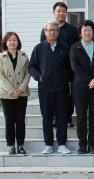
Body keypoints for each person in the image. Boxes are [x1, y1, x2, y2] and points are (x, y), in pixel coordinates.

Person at [29, 20, 73, 154]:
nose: (52, 32)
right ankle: (48, 144)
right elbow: (32, 66)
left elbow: (70, 68)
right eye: (50, 30)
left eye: (55, 30)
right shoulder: (39, 48)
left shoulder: (65, 48)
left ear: (58, 32)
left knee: (62, 117)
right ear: (45, 32)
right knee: (47, 118)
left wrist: (69, 84)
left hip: (61, 89)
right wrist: (39, 77)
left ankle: (61, 144)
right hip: (45, 88)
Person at [40, 2, 79, 128]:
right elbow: (42, 50)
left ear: (66, 13)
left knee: (68, 95)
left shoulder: (72, 29)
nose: (61, 13)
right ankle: (53, 118)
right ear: (54, 13)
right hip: (50, 70)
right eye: (58, 11)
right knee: (51, 96)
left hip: (67, 67)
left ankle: (67, 117)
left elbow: (76, 47)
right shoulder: (46, 29)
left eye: (63, 11)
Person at [70, 20, 94, 154]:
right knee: (81, 116)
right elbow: (75, 67)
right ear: (80, 32)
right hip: (80, 87)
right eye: (84, 30)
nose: (87, 32)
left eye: (90, 30)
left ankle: (92, 144)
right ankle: (82, 144)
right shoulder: (75, 48)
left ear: (93, 31)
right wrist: (90, 80)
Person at [0, 32, 30, 155]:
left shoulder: (24, 56)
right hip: (6, 94)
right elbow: (0, 76)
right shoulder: (1, 57)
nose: (12, 42)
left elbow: (27, 74)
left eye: (14, 40)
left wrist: (20, 89)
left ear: (18, 42)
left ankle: (20, 144)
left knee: (20, 120)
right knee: (9, 120)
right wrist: (11, 90)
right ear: (5, 42)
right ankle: (11, 145)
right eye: (9, 40)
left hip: (21, 93)